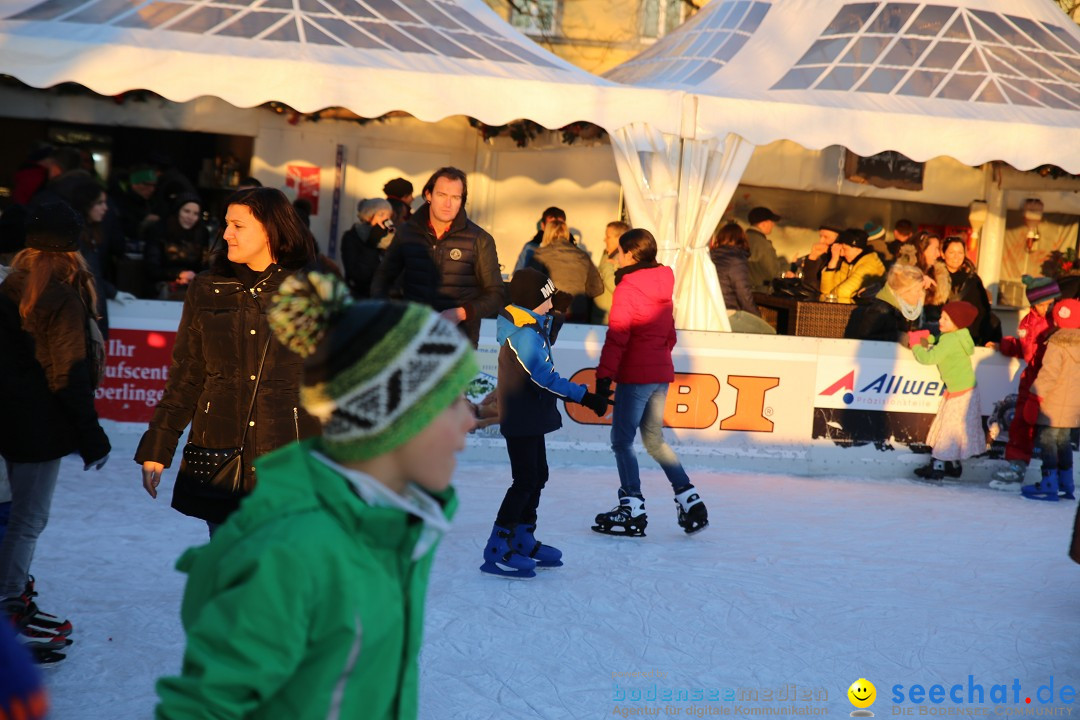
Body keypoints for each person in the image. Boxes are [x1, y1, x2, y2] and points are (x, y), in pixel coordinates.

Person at [155, 272, 477, 720]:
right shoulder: (292, 555)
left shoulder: (395, 526)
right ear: (390, 418)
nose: (470, 422)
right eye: (451, 402)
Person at [135, 188, 321, 533]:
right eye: (226, 224)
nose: (226, 234)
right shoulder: (207, 288)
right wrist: (159, 444)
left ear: (270, 230)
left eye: (238, 225)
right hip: (220, 456)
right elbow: (188, 374)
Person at [0, 203, 111, 661]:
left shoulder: (10, 286)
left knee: (12, 515)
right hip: (36, 431)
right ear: (73, 248)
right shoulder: (60, 296)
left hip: (8, 426)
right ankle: (9, 607)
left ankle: (12, 602)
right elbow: (69, 375)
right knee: (27, 519)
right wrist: (92, 437)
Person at [483, 268, 609, 577]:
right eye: (548, 298)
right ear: (534, 300)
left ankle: (524, 537)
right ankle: (498, 545)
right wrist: (584, 397)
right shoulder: (523, 335)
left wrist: (559, 313)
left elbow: (544, 332)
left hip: (531, 415)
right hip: (522, 415)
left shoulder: (529, 325)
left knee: (538, 475)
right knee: (525, 479)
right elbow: (544, 377)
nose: (551, 303)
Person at [591, 228, 709, 537]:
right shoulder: (662, 283)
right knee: (654, 440)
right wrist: (656, 357)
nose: (614, 256)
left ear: (630, 254)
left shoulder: (629, 288)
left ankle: (632, 505)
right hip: (660, 373)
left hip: (636, 376)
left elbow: (617, 337)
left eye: (618, 251)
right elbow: (670, 334)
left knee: (621, 441)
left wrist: (604, 378)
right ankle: (689, 497)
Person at [370, 166, 504, 347]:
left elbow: (495, 294)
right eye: (442, 195)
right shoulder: (407, 232)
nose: (448, 204)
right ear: (428, 195)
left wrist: (461, 313)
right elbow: (383, 277)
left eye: (455, 197)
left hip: (457, 343)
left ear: (462, 201)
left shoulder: (479, 239)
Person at [991, 277, 1061, 485]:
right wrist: (1003, 346)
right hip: (1029, 381)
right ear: (1033, 303)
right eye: (1042, 304)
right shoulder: (1026, 323)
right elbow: (1024, 349)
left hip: (1050, 379)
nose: (1046, 308)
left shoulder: (1056, 322)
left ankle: (1055, 472)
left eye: (1050, 303)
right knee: (1021, 423)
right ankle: (1017, 466)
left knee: (1051, 428)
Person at [911, 300, 985, 481]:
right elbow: (939, 339)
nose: (940, 321)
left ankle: (939, 466)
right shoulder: (960, 334)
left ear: (957, 323)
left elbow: (930, 358)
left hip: (960, 392)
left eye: (946, 319)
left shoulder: (951, 339)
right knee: (953, 428)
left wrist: (915, 345)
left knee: (948, 429)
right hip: (965, 389)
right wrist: (926, 338)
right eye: (941, 317)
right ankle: (953, 464)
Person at [1019, 299, 1079, 501]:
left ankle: (1049, 482)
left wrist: (1035, 396)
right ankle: (1066, 482)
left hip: (1052, 405)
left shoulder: (1057, 344)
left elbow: (1048, 374)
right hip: (1072, 407)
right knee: (1064, 442)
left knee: (1048, 442)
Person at [529, 218, 603, 323]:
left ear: (547, 234)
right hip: (578, 313)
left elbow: (530, 286)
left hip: (549, 312)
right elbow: (597, 288)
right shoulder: (582, 255)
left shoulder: (540, 255)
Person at [709, 221, 775, 334]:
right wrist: (758, 318)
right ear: (741, 239)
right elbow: (744, 296)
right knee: (769, 332)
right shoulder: (736, 260)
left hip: (709, 312)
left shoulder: (710, 257)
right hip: (727, 314)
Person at [141, 192, 210, 300]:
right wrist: (179, 274)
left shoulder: (201, 233)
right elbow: (151, 268)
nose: (190, 217)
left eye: (195, 213)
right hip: (159, 290)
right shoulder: (159, 230)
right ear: (177, 211)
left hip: (192, 287)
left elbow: (204, 266)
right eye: (186, 211)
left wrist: (193, 278)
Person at [941, 236, 1000, 346]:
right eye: (951, 252)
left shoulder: (972, 279)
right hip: (940, 335)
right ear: (943, 254)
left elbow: (983, 311)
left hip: (967, 337)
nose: (956, 257)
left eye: (960, 253)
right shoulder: (934, 277)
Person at [844, 263, 926, 343]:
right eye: (917, 290)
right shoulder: (881, 310)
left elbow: (913, 331)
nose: (921, 294)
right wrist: (901, 337)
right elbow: (866, 340)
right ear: (904, 291)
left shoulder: (905, 308)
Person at [340, 197, 393, 299]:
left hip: (382, 296)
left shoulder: (389, 239)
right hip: (359, 295)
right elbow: (356, 273)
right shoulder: (351, 237)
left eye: (388, 216)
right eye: (381, 215)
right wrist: (371, 244)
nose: (385, 219)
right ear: (368, 216)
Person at [819, 228, 886, 303]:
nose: (841, 254)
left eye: (845, 249)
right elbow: (825, 291)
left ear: (858, 249)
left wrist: (830, 294)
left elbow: (843, 292)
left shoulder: (870, 264)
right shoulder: (848, 263)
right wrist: (833, 261)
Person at [791, 223, 841, 295]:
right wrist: (812, 257)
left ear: (838, 240)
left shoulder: (840, 260)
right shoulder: (822, 256)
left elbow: (815, 287)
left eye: (826, 237)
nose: (821, 241)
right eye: (820, 237)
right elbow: (808, 283)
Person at [592, 220, 627, 324]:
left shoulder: (622, 260)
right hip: (601, 317)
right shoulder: (608, 255)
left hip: (608, 320)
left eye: (608, 236)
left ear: (619, 238)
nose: (604, 239)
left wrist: (612, 265)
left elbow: (617, 287)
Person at [515, 206, 566, 274]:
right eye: (550, 225)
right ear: (543, 226)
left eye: (559, 225)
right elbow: (518, 274)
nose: (555, 229)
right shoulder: (531, 248)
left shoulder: (573, 252)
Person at [745, 206, 784, 292]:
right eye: (771, 222)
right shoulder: (763, 244)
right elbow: (773, 273)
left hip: (742, 291)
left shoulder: (742, 238)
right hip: (759, 294)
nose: (773, 225)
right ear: (763, 224)